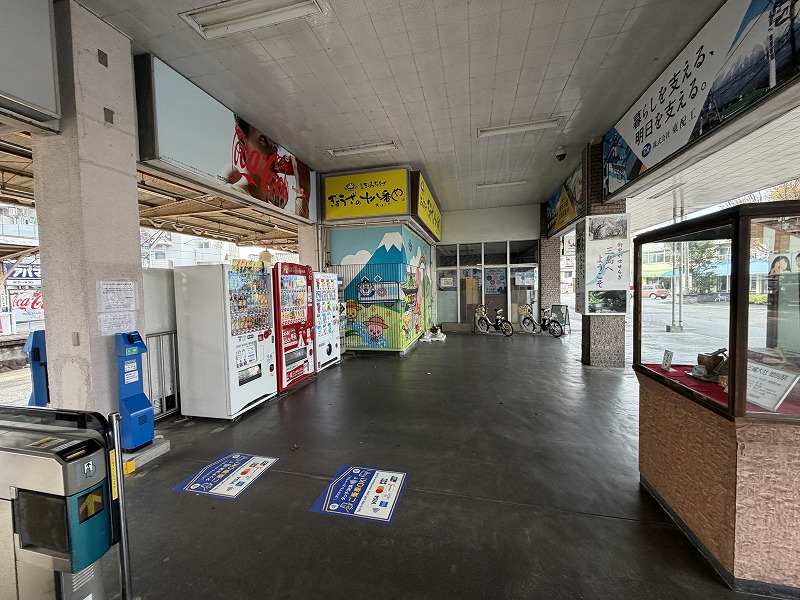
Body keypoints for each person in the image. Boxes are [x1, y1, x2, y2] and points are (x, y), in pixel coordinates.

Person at [229, 115, 311, 218]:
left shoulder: (274, 206)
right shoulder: (230, 196)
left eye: (275, 146)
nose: (273, 155)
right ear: (241, 137)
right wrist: (302, 192)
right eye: (263, 140)